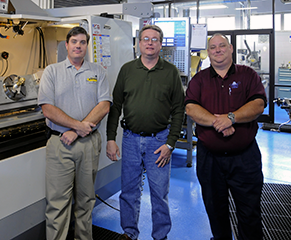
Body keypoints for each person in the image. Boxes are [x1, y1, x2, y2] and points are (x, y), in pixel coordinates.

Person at [106, 25, 185, 240]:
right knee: (129, 192)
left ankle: (160, 236)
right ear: (138, 43)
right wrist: (111, 138)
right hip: (130, 140)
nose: (150, 43)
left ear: (160, 44)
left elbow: (179, 109)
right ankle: (129, 233)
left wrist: (170, 143)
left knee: (160, 194)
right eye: (145, 39)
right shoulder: (127, 70)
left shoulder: (170, 72)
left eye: (154, 39)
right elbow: (115, 107)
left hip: (158, 141)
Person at [185, 33, 267, 240]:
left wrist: (232, 117)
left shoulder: (248, 75)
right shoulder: (199, 80)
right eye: (213, 47)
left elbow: (258, 104)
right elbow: (191, 108)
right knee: (215, 211)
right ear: (208, 52)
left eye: (222, 46)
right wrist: (218, 122)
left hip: (244, 159)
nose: (217, 50)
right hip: (209, 160)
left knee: (249, 212)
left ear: (231, 48)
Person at [38, 26, 111, 240]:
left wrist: (78, 132)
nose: (78, 46)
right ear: (67, 45)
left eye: (82, 42)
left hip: (88, 144)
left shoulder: (97, 71)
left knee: (86, 201)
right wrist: (77, 126)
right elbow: (47, 108)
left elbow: (104, 105)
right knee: (57, 203)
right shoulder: (52, 71)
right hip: (60, 144)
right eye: (74, 42)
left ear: (87, 46)